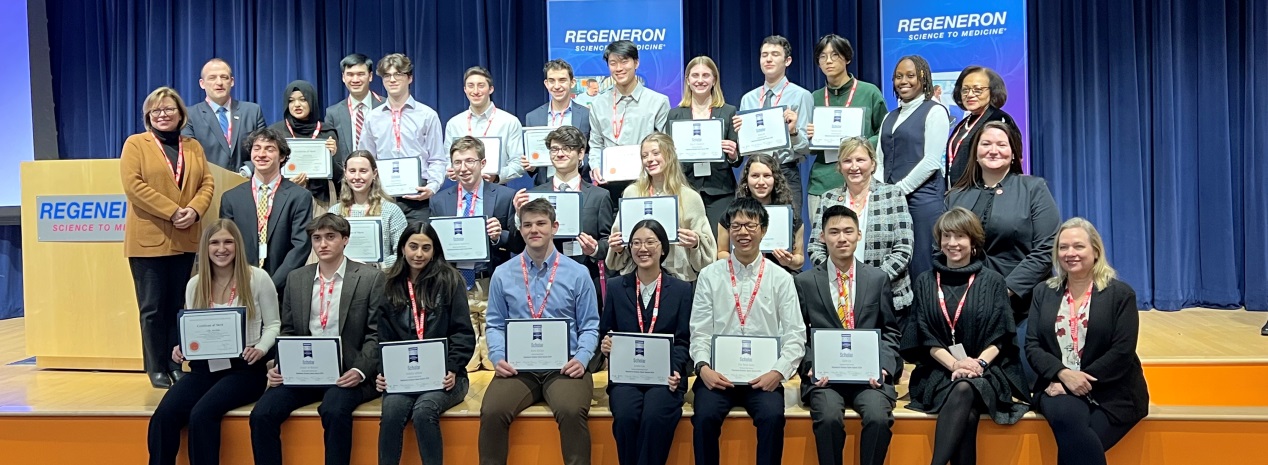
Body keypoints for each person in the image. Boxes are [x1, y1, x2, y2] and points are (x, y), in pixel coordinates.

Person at [249, 214, 384, 465]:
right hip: (304, 372)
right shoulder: (297, 278)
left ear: (345, 240)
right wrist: (280, 366)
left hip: (347, 373)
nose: (323, 244)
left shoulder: (369, 278)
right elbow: (288, 331)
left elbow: (376, 334)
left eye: (330, 237)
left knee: (333, 410)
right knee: (261, 414)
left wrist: (359, 370)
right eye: (317, 238)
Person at [902, 207, 1029, 465]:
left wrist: (977, 364)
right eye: (946, 236)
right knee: (967, 410)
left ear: (973, 242)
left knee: (965, 387)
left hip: (987, 370)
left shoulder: (993, 281)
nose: (952, 243)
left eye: (960, 236)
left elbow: (1002, 335)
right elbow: (923, 335)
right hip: (938, 372)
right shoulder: (925, 281)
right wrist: (955, 364)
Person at [479, 198, 600, 465]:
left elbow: (591, 325)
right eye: (527, 224)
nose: (534, 230)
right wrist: (498, 357)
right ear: (520, 230)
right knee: (492, 410)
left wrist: (581, 359)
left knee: (571, 411)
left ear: (554, 227)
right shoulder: (502, 274)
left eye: (541, 224)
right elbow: (496, 323)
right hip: (518, 368)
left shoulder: (578, 274)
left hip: (566, 367)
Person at [148, 220, 280, 465]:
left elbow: (274, 325)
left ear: (238, 245)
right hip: (203, 369)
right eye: (215, 242)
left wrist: (260, 349)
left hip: (245, 370)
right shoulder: (195, 284)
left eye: (228, 242)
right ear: (205, 248)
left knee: (202, 414)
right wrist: (182, 348)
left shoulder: (258, 278)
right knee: (163, 416)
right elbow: (192, 328)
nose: (222, 248)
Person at [689, 198, 806, 465]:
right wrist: (703, 367)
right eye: (737, 225)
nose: (743, 232)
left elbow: (795, 335)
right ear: (728, 230)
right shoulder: (709, 276)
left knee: (773, 417)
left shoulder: (781, 279)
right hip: (717, 377)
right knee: (704, 417)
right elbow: (700, 330)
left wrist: (778, 373)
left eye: (750, 226)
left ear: (763, 230)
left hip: (763, 378)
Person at [1026, 218, 1149, 465]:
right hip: (1057, 385)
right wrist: (1063, 374)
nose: (1070, 253)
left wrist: (1078, 379)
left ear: (1095, 250)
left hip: (1112, 391)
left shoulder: (1120, 294)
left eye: (1078, 246)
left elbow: (1122, 352)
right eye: (1063, 247)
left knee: (1075, 444)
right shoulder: (1043, 291)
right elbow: (1032, 345)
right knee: (1067, 419)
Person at [946, 121, 1059, 382]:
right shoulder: (956, 196)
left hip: (1021, 304)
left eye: (1001, 144)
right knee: (964, 380)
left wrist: (1003, 291)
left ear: (1014, 152)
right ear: (975, 151)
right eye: (986, 144)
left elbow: (1045, 250)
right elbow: (941, 249)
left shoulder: (1034, 189)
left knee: (1022, 378)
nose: (993, 150)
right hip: (967, 303)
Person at [122, 86, 216, 388]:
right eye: (156, 110)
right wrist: (173, 211)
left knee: (179, 306)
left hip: (185, 238)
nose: (163, 114)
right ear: (148, 116)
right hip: (148, 240)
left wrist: (196, 210)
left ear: (180, 115)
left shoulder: (193, 146)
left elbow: (207, 183)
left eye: (169, 109)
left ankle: (176, 362)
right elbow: (133, 186)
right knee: (152, 308)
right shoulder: (136, 144)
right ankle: (155, 366)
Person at [796, 205, 899, 465]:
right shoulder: (806, 282)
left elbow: (889, 331)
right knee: (828, 418)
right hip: (825, 379)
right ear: (822, 237)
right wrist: (810, 366)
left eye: (848, 231)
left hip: (869, 378)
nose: (841, 238)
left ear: (859, 235)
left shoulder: (877, 279)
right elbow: (797, 334)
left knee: (878, 418)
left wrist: (883, 368)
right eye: (834, 232)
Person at [376, 221, 477, 465]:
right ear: (402, 248)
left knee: (424, 411)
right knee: (391, 413)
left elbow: (463, 333)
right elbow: (382, 337)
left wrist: (453, 367)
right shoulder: (389, 284)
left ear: (434, 251)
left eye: (426, 248)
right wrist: (382, 371)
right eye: (413, 246)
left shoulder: (450, 281)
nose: (418, 254)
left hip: (445, 377)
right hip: (403, 378)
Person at [598, 219, 692, 465]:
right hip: (627, 376)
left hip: (666, 377)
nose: (643, 248)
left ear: (663, 248)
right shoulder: (617, 287)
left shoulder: (682, 290)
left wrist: (675, 369)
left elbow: (684, 340)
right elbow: (606, 330)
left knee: (654, 416)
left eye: (650, 242)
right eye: (636, 243)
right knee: (627, 416)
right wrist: (606, 344)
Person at [431, 136, 521, 372]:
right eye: (457, 162)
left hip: (490, 279)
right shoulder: (439, 201)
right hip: (457, 281)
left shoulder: (504, 196)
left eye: (470, 161)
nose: (464, 168)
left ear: (483, 163)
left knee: (494, 365)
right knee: (467, 366)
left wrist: (499, 235)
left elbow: (519, 244)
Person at [809, 137, 914, 321]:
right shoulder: (828, 198)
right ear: (839, 166)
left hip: (887, 298)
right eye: (847, 161)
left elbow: (904, 249)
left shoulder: (893, 194)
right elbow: (815, 247)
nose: (854, 166)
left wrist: (871, 284)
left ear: (873, 164)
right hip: (840, 297)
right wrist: (838, 278)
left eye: (860, 160)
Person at [512, 125, 613, 298]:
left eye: (567, 148)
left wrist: (595, 249)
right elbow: (517, 244)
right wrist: (518, 216)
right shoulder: (534, 195)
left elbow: (608, 241)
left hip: (586, 275)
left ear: (581, 153)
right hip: (541, 278)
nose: (560, 154)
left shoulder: (600, 196)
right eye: (554, 149)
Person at [876, 55, 951, 279]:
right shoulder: (890, 116)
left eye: (910, 75)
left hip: (923, 200)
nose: (903, 81)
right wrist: (883, 191)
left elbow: (931, 161)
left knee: (922, 265)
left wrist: (898, 190)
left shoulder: (935, 111)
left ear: (923, 78)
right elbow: (879, 159)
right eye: (898, 76)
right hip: (890, 200)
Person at [606, 133, 716, 282]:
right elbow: (620, 241)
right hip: (636, 278)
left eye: (656, 153)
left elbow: (708, 254)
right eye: (644, 156)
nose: (649, 159)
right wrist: (617, 248)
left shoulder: (690, 197)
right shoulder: (632, 193)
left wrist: (695, 243)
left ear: (670, 155)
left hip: (678, 280)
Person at [218, 128, 314, 294]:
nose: (261, 154)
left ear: (282, 156)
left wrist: (271, 285)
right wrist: (240, 281)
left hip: (283, 289)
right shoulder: (231, 198)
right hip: (240, 286)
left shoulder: (299, 197)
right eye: (257, 148)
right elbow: (226, 243)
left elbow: (301, 246)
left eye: (270, 149)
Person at [805, 34, 888, 220]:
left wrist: (860, 145)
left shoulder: (869, 92)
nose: (828, 61)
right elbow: (805, 148)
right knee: (823, 243)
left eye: (835, 55)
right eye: (823, 56)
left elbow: (884, 133)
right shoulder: (813, 98)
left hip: (860, 181)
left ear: (847, 58)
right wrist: (807, 136)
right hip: (822, 182)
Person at [358, 53, 447, 223]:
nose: (392, 79)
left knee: (416, 247)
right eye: (387, 75)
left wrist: (432, 187)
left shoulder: (427, 115)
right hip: (382, 197)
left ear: (410, 78)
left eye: (398, 74)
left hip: (418, 199)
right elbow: (366, 159)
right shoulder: (372, 117)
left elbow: (437, 159)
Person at [735, 35, 814, 220]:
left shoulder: (801, 96)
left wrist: (793, 132)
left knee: (789, 229)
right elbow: (745, 148)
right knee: (751, 227)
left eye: (775, 54)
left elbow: (807, 148)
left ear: (787, 61)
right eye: (764, 55)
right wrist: (739, 136)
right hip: (754, 174)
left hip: (785, 171)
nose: (768, 59)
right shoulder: (749, 99)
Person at [588, 40, 671, 208]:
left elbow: (666, 145)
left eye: (624, 61)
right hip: (609, 186)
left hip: (647, 183)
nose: (619, 68)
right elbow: (596, 144)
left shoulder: (658, 102)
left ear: (636, 63)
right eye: (613, 63)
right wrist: (595, 166)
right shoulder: (598, 104)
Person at [667, 56, 741, 228]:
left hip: (720, 190)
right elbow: (669, 157)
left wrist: (733, 153)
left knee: (718, 245)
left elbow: (736, 161)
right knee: (688, 245)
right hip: (685, 189)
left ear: (714, 79)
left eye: (706, 75)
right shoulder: (675, 114)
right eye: (695, 76)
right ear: (687, 80)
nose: (700, 80)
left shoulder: (728, 111)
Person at [717, 154, 804, 274]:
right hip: (741, 275)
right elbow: (722, 252)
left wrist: (790, 261)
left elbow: (799, 258)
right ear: (746, 180)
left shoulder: (791, 217)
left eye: (767, 176)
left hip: (781, 275)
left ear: (775, 179)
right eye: (755, 176)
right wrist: (737, 263)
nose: (761, 182)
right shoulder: (730, 215)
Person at [268, 80, 341, 213]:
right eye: (291, 100)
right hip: (284, 198)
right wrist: (287, 182)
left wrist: (332, 157)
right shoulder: (275, 132)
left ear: (311, 101)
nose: (297, 105)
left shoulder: (327, 132)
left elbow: (340, 176)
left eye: (303, 99)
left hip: (321, 200)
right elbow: (267, 168)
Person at [182, 58, 266, 172]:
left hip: (247, 183)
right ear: (202, 84)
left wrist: (247, 170)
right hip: (209, 184)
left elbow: (264, 148)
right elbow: (190, 156)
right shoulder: (189, 115)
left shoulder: (252, 111)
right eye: (212, 78)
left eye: (224, 77)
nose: (219, 82)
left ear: (232, 81)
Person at [444, 66, 526, 183]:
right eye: (471, 86)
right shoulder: (454, 123)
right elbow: (447, 160)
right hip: (462, 190)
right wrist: (451, 170)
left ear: (491, 89)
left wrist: (496, 176)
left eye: (481, 86)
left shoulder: (509, 122)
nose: (476, 91)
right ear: (465, 89)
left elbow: (518, 163)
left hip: (496, 190)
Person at [330, 151, 408, 269]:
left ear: (374, 173)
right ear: (345, 173)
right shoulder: (334, 212)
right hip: (343, 278)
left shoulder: (391, 211)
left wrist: (379, 266)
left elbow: (402, 252)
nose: (357, 177)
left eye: (363, 171)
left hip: (381, 278)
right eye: (352, 171)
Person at [945, 66, 1019, 185]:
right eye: (965, 90)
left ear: (993, 91)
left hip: (987, 193)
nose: (970, 95)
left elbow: (1010, 161)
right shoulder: (964, 123)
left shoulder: (998, 119)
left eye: (977, 90)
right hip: (958, 193)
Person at [524, 59, 592, 185]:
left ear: (572, 83)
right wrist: (531, 165)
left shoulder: (587, 115)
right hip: (545, 185)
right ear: (546, 83)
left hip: (579, 183)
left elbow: (593, 151)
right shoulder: (533, 117)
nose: (556, 86)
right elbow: (533, 165)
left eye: (562, 80)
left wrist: (580, 161)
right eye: (551, 81)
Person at [324, 53, 385, 158]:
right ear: (343, 77)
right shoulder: (333, 113)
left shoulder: (386, 106)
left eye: (361, 74)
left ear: (370, 76)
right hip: (347, 173)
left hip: (381, 171)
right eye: (350, 74)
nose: (355, 80)